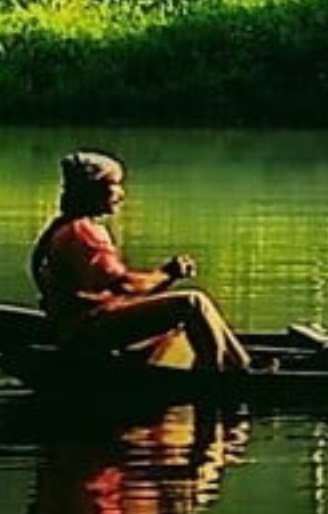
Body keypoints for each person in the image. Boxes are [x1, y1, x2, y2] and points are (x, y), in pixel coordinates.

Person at [32, 151, 250, 371]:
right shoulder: (81, 232)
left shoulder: (65, 226)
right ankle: (219, 378)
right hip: (87, 330)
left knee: (194, 317)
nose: (121, 193)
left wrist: (163, 279)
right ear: (93, 188)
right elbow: (125, 285)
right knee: (193, 303)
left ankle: (241, 366)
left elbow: (119, 290)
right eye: (114, 184)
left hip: (84, 325)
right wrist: (168, 273)